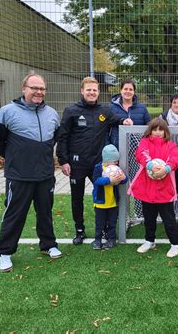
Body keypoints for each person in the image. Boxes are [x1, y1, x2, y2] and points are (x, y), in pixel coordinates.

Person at [0, 72, 62, 273]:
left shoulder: (52, 114)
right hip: (18, 176)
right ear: (24, 89)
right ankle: (5, 252)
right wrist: (15, 157)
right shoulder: (7, 112)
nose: (38, 92)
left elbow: (54, 139)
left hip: (45, 175)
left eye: (42, 88)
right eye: (34, 88)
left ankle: (48, 245)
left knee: (45, 213)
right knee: (14, 214)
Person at [56, 77, 133, 245]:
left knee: (107, 194)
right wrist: (63, 160)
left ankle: (107, 228)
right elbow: (62, 137)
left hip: (98, 165)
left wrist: (124, 121)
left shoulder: (104, 111)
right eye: (88, 90)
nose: (92, 93)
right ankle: (80, 230)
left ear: (98, 92)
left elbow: (117, 120)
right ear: (82, 91)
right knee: (77, 198)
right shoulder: (71, 111)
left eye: (95, 90)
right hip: (76, 164)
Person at [128, 118, 178, 258]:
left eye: (161, 129)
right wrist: (151, 165)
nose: (158, 132)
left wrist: (166, 169)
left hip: (165, 188)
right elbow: (141, 154)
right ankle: (149, 241)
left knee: (168, 218)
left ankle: (175, 244)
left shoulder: (170, 145)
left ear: (166, 131)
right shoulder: (145, 142)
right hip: (148, 187)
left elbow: (175, 159)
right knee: (149, 217)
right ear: (150, 131)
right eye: (155, 129)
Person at [91, 145, 128, 250]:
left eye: (117, 161)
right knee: (100, 223)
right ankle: (98, 240)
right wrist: (109, 180)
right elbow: (96, 180)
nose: (116, 163)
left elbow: (124, 180)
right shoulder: (98, 168)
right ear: (106, 160)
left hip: (113, 203)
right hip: (100, 203)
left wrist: (124, 178)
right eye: (114, 161)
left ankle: (111, 239)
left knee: (112, 222)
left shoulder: (117, 169)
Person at [108, 79, 151, 148]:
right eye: (125, 89)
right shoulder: (111, 108)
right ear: (121, 90)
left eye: (131, 89)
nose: (128, 91)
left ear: (134, 92)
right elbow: (106, 129)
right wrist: (108, 145)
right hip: (117, 148)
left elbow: (149, 127)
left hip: (137, 149)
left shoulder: (142, 108)